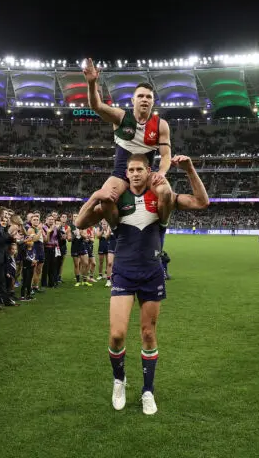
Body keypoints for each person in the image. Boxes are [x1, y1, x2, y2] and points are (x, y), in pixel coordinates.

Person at [76, 154, 209, 416]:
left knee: (148, 334)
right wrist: (95, 196)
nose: (135, 174)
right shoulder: (116, 200)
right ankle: (119, 380)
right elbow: (80, 223)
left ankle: (148, 390)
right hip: (123, 273)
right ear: (126, 174)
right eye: (131, 170)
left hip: (151, 272)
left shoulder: (162, 198)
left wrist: (189, 169)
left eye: (140, 169)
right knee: (117, 334)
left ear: (149, 172)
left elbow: (202, 202)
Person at [76, 59, 173, 228]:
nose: (144, 99)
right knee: (104, 199)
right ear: (132, 100)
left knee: (166, 192)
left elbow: (166, 156)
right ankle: (116, 228)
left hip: (147, 174)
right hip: (121, 174)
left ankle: (162, 226)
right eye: (140, 96)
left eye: (148, 97)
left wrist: (162, 173)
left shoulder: (161, 125)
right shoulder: (121, 117)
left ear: (153, 102)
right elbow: (96, 106)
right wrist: (92, 83)